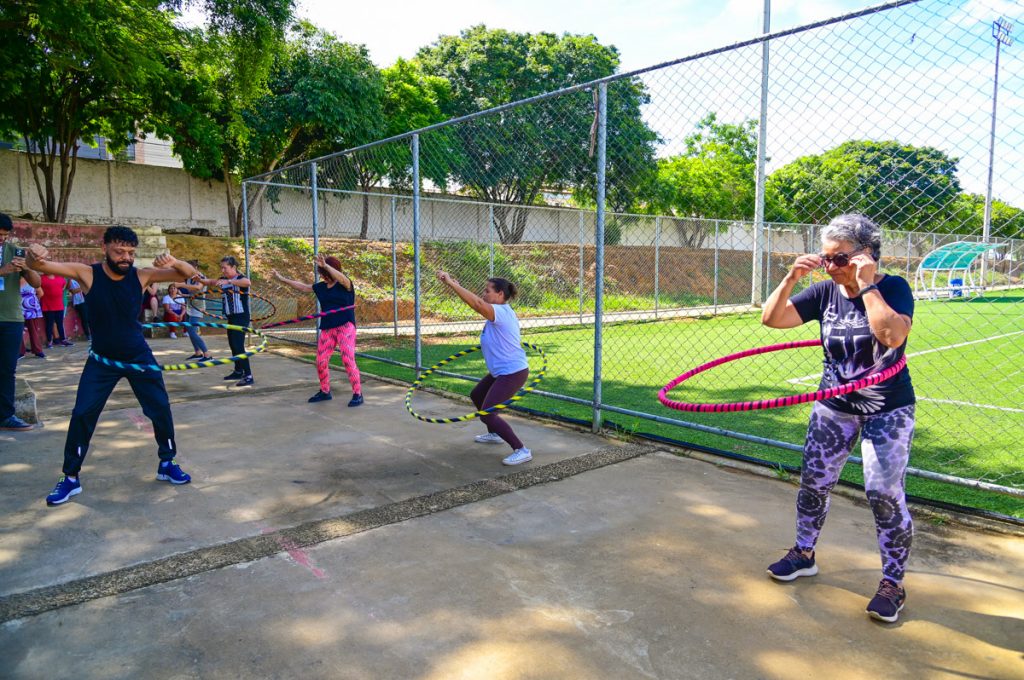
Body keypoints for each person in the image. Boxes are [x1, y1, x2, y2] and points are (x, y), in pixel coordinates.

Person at [761, 213, 916, 624]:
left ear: (867, 256)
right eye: (825, 258)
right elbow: (772, 319)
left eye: (840, 258)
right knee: (814, 481)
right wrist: (791, 278)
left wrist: (865, 285)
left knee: (883, 492)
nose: (830, 267)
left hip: (888, 408)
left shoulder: (893, 288)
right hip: (835, 407)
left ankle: (893, 583)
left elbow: (892, 336)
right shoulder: (824, 292)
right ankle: (804, 553)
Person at [26, 226, 200, 505]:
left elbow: (188, 275)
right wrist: (33, 254)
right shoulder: (87, 274)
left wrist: (174, 262)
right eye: (119, 251)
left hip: (138, 357)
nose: (126, 257)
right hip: (102, 360)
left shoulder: (142, 275)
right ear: (104, 247)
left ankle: (167, 463)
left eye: (131, 252)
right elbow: (40, 266)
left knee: (160, 408)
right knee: (83, 413)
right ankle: (70, 477)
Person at [436, 271, 532, 466]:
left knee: (487, 413)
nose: (484, 294)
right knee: (477, 395)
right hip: (501, 371)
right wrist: (455, 286)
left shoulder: (501, 312)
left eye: (487, 291)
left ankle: (521, 450)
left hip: (512, 372)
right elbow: (476, 303)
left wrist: (452, 284)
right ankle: (495, 433)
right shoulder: (497, 313)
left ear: (500, 294)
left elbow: (477, 304)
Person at [272, 254, 362, 406]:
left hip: (345, 326)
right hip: (328, 327)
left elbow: (341, 278)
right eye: (321, 273)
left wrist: (326, 266)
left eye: (324, 273)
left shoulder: (345, 284)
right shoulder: (321, 287)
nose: (323, 276)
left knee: (347, 359)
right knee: (320, 361)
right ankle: (325, 391)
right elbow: (303, 287)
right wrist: (282, 279)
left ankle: (357, 394)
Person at [1, 212, 42, 430]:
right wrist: (2, 271)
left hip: (11, 319)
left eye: (4, 235)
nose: (1, 239)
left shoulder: (16, 251)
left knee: (7, 370)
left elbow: (36, 283)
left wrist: (27, 268)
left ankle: (5, 416)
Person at [202, 256, 253, 387]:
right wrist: (200, 280)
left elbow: (247, 282)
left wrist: (229, 281)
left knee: (238, 345)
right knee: (233, 345)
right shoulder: (223, 279)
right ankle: (238, 371)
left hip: (241, 316)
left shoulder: (240, 278)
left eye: (225, 268)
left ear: (233, 267)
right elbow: (211, 281)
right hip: (231, 317)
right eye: (221, 268)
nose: (222, 270)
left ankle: (248, 375)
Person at [178, 264, 212, 361]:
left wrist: (181, 285)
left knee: (193, 332)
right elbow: (191, 294)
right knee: (190, 331)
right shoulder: (189, 279)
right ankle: (198, 352)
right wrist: (182, 295)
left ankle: (207, 354)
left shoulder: (202, 278)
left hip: (198, 308)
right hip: (189, 306)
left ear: (195, 268)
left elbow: (197, 288)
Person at [40, 271, 72, 347]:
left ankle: (63, 340)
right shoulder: (41, 279)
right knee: (49, 324)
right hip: (47, 306)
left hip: (59, 305)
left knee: (60, 324)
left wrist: (69, 279)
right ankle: (49, 341)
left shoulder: (60, 278)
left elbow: (65, 288)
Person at [20, 281, 46, 359]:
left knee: (33, 330)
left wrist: (31, 301)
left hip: (31, 309)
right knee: (17, 330)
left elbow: (40, 293)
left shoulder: (31, 279)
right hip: (16, 309)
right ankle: (20, 351)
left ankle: (37, 350)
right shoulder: (11, 280)